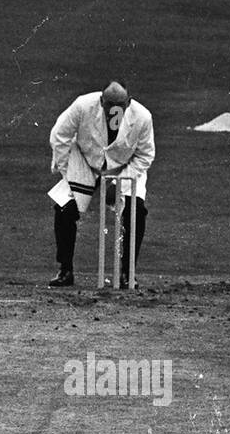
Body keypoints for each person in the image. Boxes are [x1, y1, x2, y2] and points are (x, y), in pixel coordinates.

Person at [47, 80, 155, 287]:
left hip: (126, 167)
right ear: (101, 101)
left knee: (137, 211)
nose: (113, 109)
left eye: (120, 104)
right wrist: (65, 172)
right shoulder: (82, 106)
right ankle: (65, 270)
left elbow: (145, 155)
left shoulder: (142, 117)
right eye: (109, 104)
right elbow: (59, 136)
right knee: (64, 209)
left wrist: (119, 184)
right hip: (86, 162)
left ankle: (126, 274)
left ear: (129, 102)